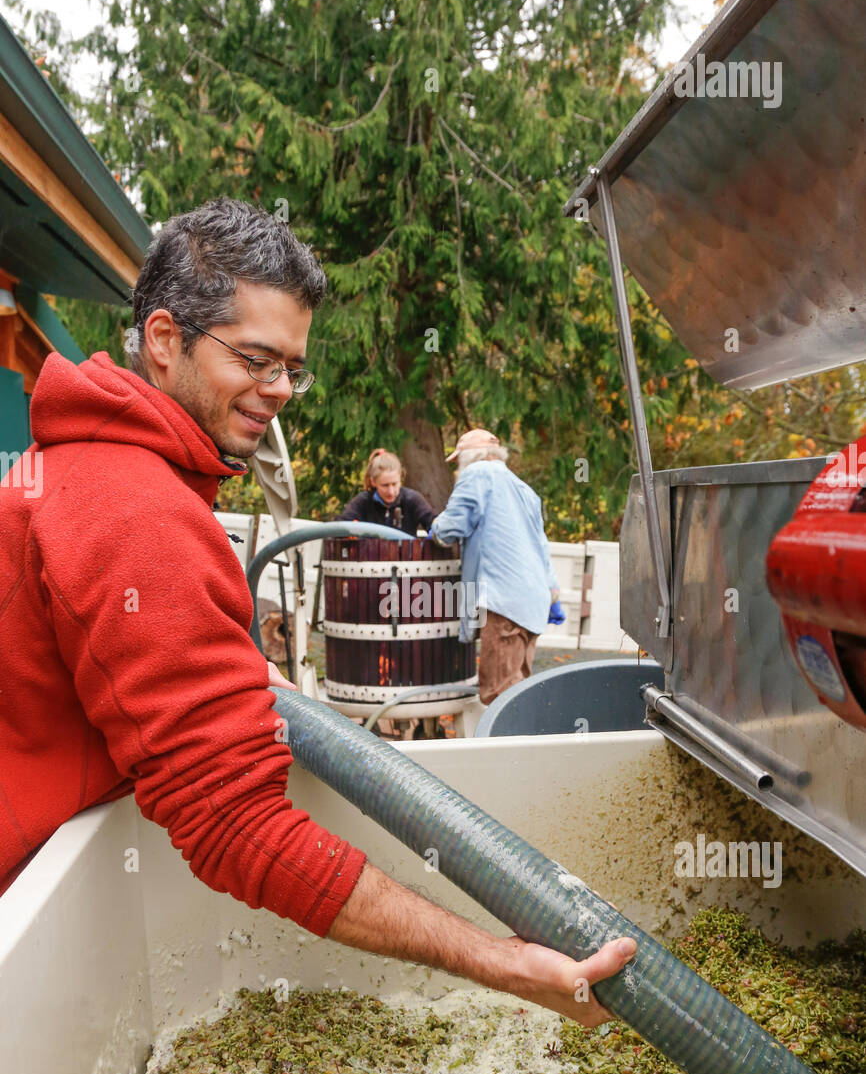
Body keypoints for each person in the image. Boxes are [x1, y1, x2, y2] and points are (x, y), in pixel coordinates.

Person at [0, 197, 634, 1024]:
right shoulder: (134, 510)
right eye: (255, 359)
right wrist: (499, 962)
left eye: (292, 367)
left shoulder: (99, 469)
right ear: (164, 340)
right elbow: (237, 826)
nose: (279, 392)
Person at [430, 429, 561, 704]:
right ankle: (523, 745)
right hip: (532, 603)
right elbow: (541, 545)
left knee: (499, 697)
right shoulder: (524, 489)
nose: (458, 469)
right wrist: (553, 594)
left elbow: (452, 527)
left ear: (469, 456)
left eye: (458, 462)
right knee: (519, 694)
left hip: (504, 603)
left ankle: (505, 747)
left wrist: (435, 529)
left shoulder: (477, 474)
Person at [341, 448, 434, 536]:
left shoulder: (412, 499)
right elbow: (341, 527)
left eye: (394, 484)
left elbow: (435, 526)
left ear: (400, 479)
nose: (391, 491)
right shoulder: (363, 501)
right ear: (373, 482)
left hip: (407, 552)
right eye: (385, 485)